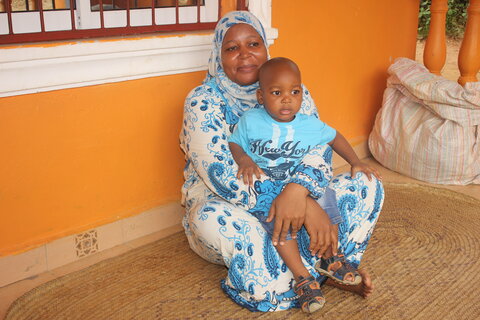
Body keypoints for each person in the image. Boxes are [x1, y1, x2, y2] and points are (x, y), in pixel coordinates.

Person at [179, 10, 384, 313]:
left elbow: (319, 148)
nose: (245, 55)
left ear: (266, 48)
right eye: (232, 48)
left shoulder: (293, 90)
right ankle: (318, 271)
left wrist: (300, 192)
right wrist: (303, 204)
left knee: (366, 185)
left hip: (297, 195)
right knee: (214, 220)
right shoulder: (202, 101)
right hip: (232, 204)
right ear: (217, 57)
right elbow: (223, 174)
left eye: (253, 44)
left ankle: (322, 268)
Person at [227, 57, 382, 313]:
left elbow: (334, 137)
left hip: (302, 186)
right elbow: (235, 142)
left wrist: (355, 161)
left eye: (294, 92)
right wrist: (243, 159)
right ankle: (303, 279)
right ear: (261, 96)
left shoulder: (308, 123)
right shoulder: (250, 121)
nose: (287, 99)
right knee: (279, 225)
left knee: (327, 201)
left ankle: (331, 258)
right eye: (277, 93)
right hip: (271, 188)